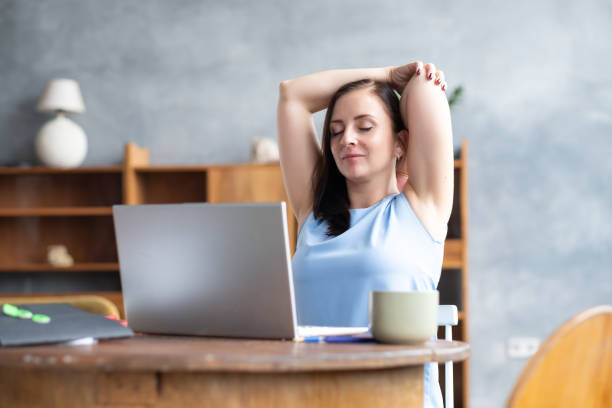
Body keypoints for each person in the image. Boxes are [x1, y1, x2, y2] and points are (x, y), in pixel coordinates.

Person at [276, 62, 453, 408]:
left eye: (365, 126)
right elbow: (291, 95)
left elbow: (424, 87)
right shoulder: (312, 214)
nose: (347, 139)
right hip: (312, 397)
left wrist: (411, 78)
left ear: (400, 142)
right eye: (336, 131)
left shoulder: (421, 210)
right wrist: (385, 74)